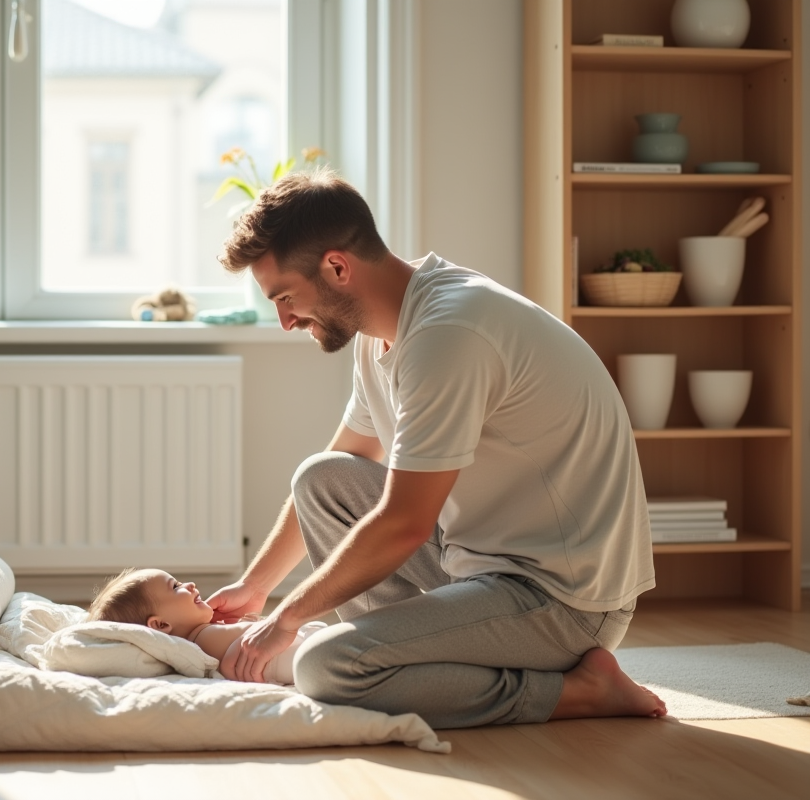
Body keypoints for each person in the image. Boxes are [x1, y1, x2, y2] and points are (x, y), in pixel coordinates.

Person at [204, 168, 667, 728]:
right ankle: (404, 653)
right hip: (481, 565)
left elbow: (404, 523)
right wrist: (257, 589)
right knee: (321, 479)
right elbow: (340, 468)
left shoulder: (449, 334)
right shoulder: (381, 329)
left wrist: (288, 618)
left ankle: (581, 692)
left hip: (564, 600)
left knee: (328, 667)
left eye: (285, 298)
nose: (284, 321)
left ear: (337, 268)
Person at [88, 568, 326, 685]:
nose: (190, 584)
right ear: (161, 624)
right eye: (175, 587)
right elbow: (254, 635)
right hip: (302, 659)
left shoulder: (203, 637)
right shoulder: (203, 639)